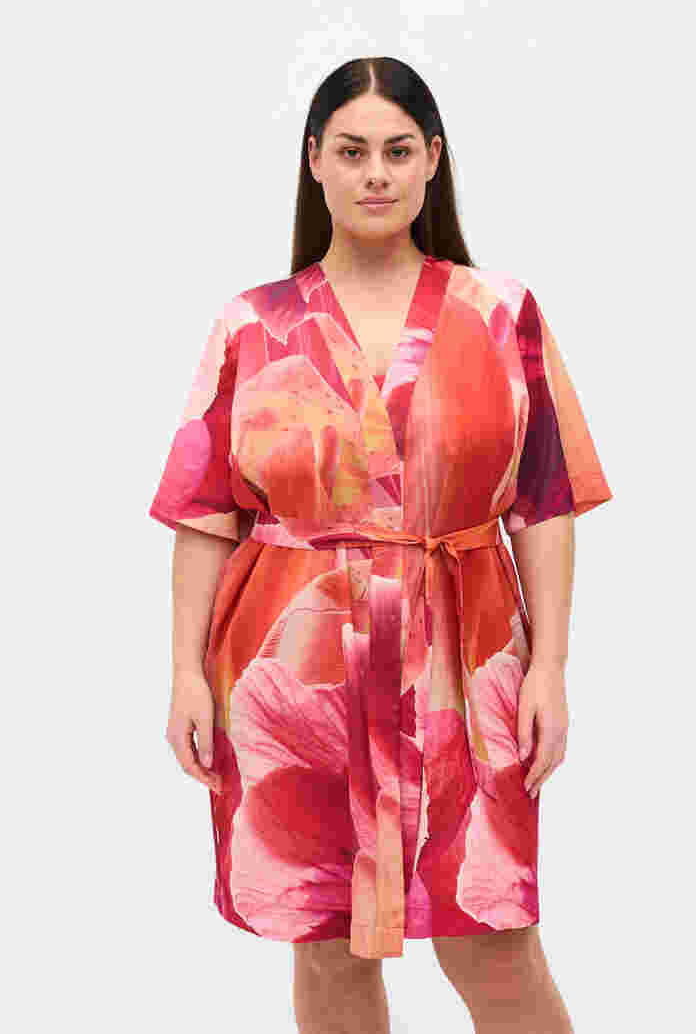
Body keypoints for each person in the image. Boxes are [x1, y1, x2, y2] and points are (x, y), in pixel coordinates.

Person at [148, 56, 612, 1034]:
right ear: (314, 159)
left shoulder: (499, 314)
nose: (375, 174)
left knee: (492, 939)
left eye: (398, 152)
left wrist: (550, 669)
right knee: (325, 942)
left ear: (432, 160)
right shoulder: (251, 325)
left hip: (465, 666)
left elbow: (544, 503)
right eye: (352, 151)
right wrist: (185, 674)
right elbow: (204, 515)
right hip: (291, 673)